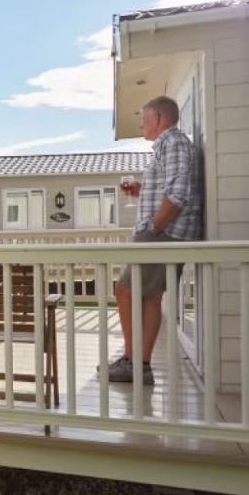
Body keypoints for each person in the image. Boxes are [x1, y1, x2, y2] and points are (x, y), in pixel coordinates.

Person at [104, 96, 201, 385]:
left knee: (124, 290)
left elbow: (179, 193)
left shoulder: (174, 143)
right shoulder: (170, 146)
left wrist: (153, 228)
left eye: (144, 118)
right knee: (149, 297)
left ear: (159, 118)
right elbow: (171, 185)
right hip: (167, 232)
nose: (141, 124)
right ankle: (139, 365)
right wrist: (143, 189)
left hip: (165, 233)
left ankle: (133, 361)